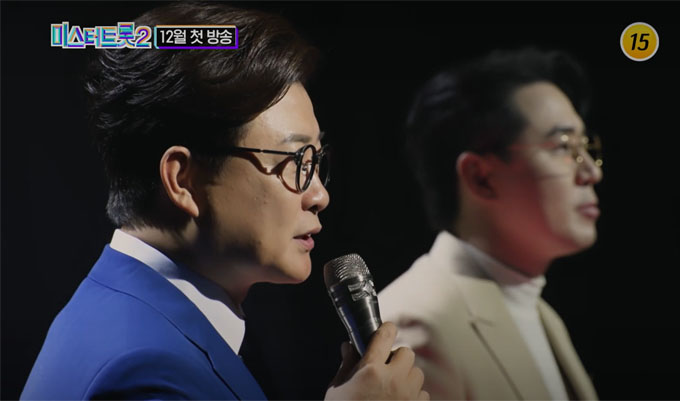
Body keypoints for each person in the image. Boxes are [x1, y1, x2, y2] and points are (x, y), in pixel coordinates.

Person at [21, 3, 427, 400]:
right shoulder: (146, 373)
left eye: (316, 162)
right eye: (294, 161)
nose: (319, 195)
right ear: (183, 180)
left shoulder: (129, 313)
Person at [379, 48, 602, 400]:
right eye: (563, 147)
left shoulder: (540, 310)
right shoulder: (418, 322)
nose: (591, 172)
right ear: (480, 177)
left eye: (585, 145)